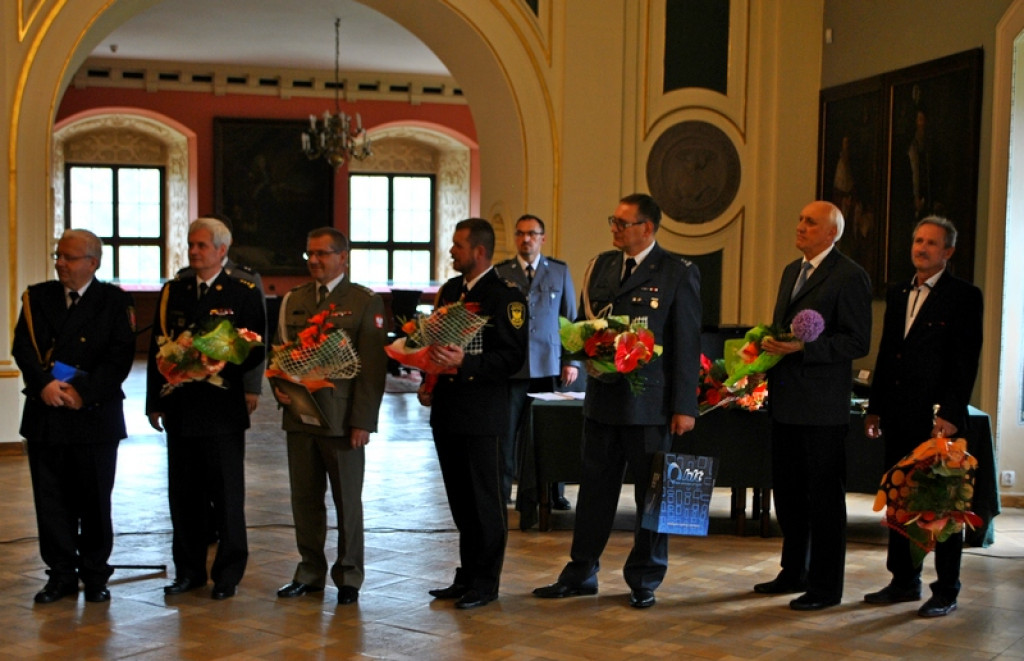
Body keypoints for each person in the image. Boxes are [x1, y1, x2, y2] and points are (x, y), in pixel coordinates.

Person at [533, 193, 701, 609]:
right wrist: (585, 356)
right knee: (594, 490)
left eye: (622, 223)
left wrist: (685, 407)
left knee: (654, 493)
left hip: (652, 406)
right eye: (614, 220)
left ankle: (645, 578)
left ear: (647, 228)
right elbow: (588, 326)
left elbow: (685, 343)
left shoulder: (678, 271)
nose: (614, 228)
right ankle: (581, 570)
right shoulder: (602, 265)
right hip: (605, 399)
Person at [753, 200, 872, 611]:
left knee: (823, 500)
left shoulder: (850, 276)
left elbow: (856, 342)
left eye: (810, 222)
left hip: (821, 409)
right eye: (800, 218)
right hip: (785, 403)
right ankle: (793, 571)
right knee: (787, 495)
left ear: (832, 233)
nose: (800, 226)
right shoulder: (792, 271)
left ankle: (825, 586)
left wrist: (804, 348)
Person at [862, 216, 983, 618]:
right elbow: (887, 352)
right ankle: (903, 581)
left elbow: (965, 361)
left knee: (941, 508)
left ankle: (945, 589)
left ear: (947, 252)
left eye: (931, 243)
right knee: (900, 499)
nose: (921, 248)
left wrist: (950, 414)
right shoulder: (898, 292)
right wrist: (874, 407)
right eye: (917, 240)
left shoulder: (965, 296)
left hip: (937, 421)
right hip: (898, 414)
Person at [13, 229, 136, 604]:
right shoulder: (38, 297)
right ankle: (61, 575)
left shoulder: (113, 301)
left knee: (95, 500)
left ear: (93, 263)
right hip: (47, 413)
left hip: (93, 417)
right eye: (58, 256)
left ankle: (96, 574)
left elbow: (119, 358)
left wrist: (83, 393)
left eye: (68, 258)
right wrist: (44, 385)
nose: (60, 264)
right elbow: (23, 348)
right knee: (51, 501)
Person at [146, 217, 267, 600]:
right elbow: (157, 348)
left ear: (221, 250)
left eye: (202, 246)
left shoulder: (242, 290)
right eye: (191, 245)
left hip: (220, 409)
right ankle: (189, 572)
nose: (194, 251)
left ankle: (227, 574)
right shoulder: (174, 291)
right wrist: (155, 403)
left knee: (227, 496)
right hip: (181, 408)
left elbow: (255, 347)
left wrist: (216, 360)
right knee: (183, 498)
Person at [273, 228, 387, 606]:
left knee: (347, 502)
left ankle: (349, 575)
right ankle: (309, 572)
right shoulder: (294, 300)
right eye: (310, 254)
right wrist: (279, 384)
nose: (315, 261)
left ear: (343, 258)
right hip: (300, 417)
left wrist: (363, 422)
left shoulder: (363, 302)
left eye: (323, 254)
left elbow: (371, 371)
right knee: (304, 499)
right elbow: (282, 354)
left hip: (342, 423)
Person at [420, 218, 528, 610]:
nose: (451, 251)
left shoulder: (505, 296)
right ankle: (466, 575)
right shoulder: (450, 291)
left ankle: (486, 582)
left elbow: (513, 357)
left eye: (457, 246)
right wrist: (427, 378)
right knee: (461, 500)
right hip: (448, 412)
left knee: (486, 501)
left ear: (479, 251)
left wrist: (467, 361)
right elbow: (435, 342)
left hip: (484, 414)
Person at [494, 214, 579, 525]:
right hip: (512, 368)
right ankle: (503, 492)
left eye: (532, 234)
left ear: (543, 238)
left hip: (548, 366)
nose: (526, 239)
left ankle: (554, 493)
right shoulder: (502, 273)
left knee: (550, 434)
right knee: (507, 434)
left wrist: (572, 360)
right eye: (520, 234)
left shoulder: (558, 271)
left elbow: (570, 319)